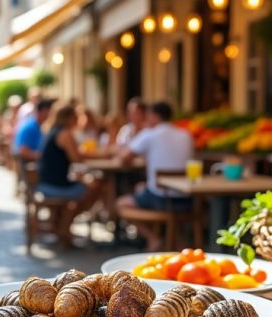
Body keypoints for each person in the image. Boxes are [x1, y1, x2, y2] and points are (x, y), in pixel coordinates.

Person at [117, 101, 194, 250]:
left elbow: (124, 157)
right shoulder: (186, 135)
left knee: (120, 204)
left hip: (161, 198)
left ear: (154, 116)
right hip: (187, 198)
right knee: (144, 188)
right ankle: (173, 241)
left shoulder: (150, 134)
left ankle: (153, 238)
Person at [37, 104, 105, 246]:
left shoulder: (52, 130)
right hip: (56, 185)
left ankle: (64, 225)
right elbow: (77, 158)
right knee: (97, 187)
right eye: (76, 117)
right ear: (69, 118)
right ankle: (65, 227)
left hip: (47, 181)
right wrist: (101, 154)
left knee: (90, 185)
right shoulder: (65, 133)